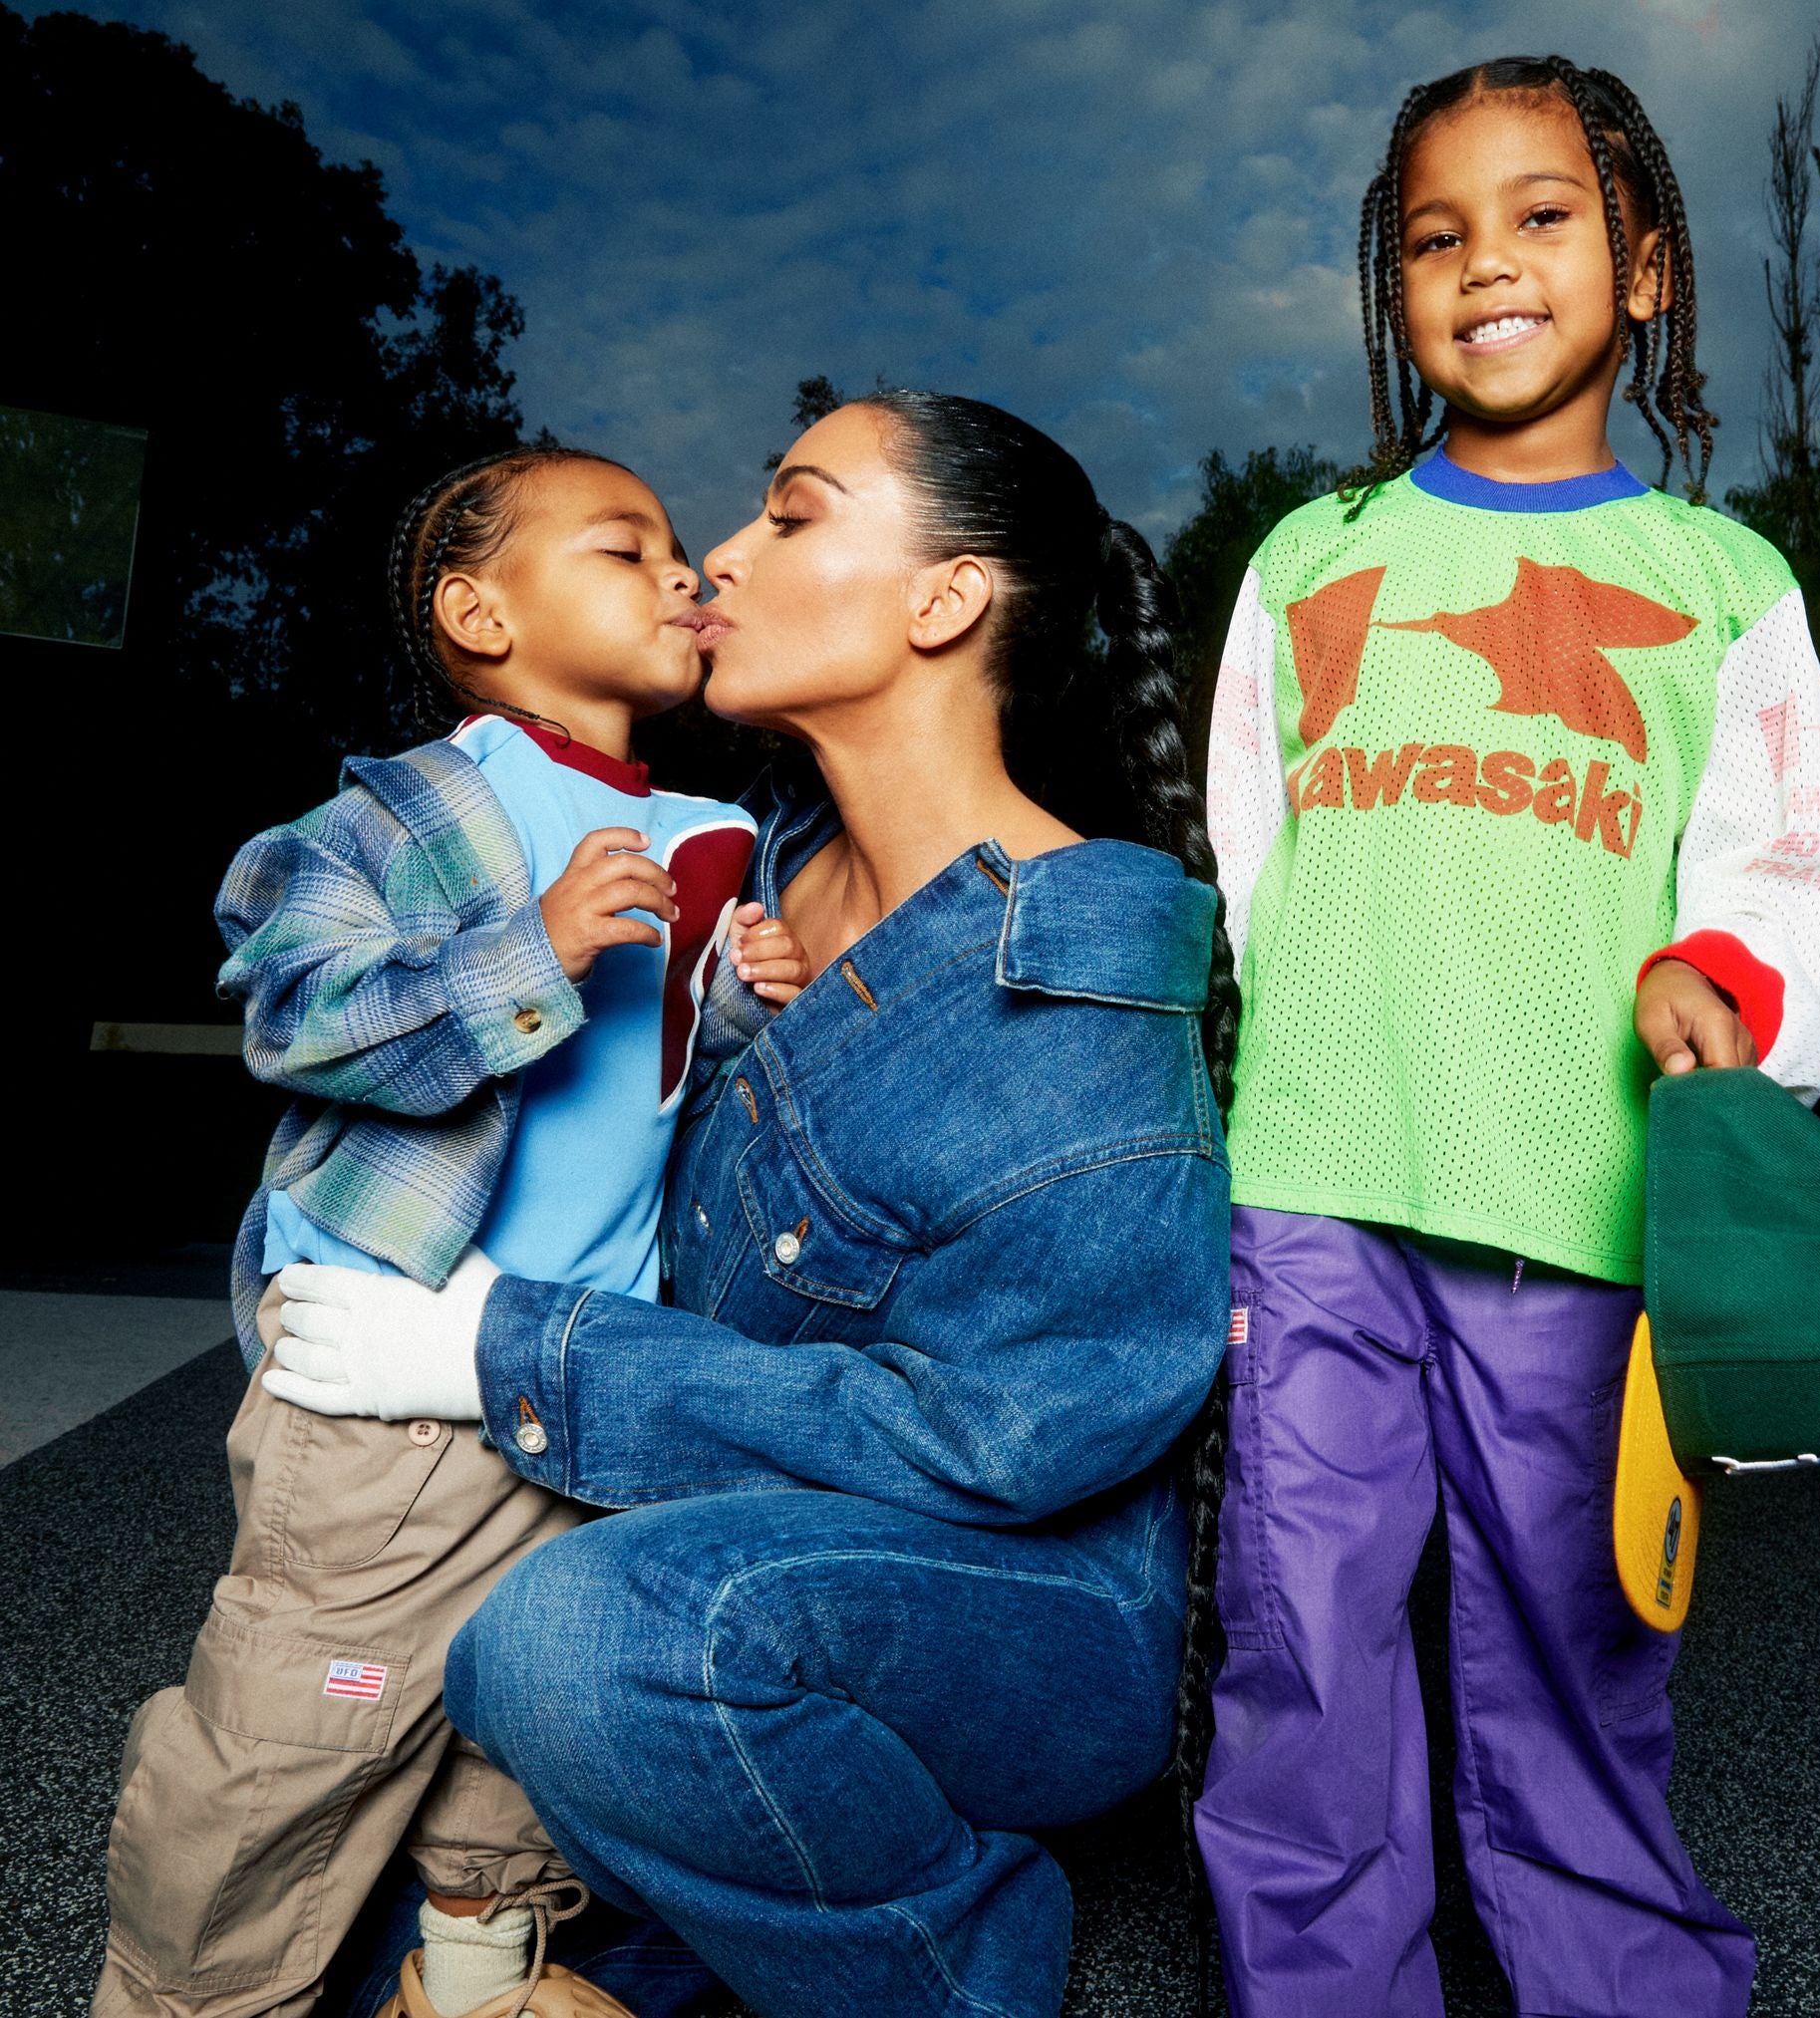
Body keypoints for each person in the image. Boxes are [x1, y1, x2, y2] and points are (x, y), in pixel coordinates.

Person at [259, 391, 1239, 2018]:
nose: (716, 556)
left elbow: (989, 1447)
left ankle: (959, 1964)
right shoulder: (748, 879)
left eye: (790, 514)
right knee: (365, 1926)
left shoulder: (1077, 999)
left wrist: (506, 1353)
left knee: (570, 1646)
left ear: (941, 601)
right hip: (747, 1524)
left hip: (1025, 1598)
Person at [1195, 56, 1820, 2018]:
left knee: (1574, 1648)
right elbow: (1258, 858)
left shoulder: (1716, 580)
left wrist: (1721, 982)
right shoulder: (1307, 560)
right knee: (1300, 1648)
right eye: (1432, 233)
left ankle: (1623, 1983)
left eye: (1540, 213)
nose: (1483, 260)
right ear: (1389, 288)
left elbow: (1792, 868)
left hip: (1572, 1221)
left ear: (1641, 267)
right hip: (1313, 1191)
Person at [97, 445, 811, 2018]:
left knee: (519, 1722)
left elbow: (668, 1085)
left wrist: (758, 1009)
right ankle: (183, 1998)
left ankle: (474, 1984)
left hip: (578, 1365)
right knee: (301, 1729)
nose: (683, 568)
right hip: (390, 1377)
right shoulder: (405, 809)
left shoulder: (717, 828)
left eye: (683, 544)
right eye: (627, 547)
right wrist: (531, 942)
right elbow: (300, 1018)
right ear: (478, 612)